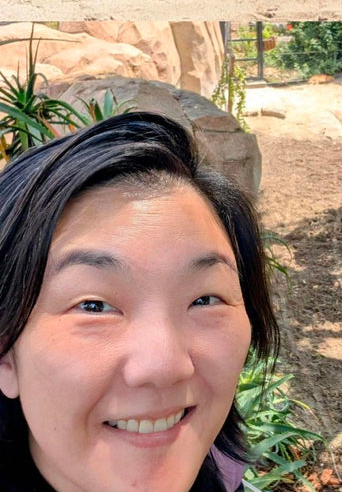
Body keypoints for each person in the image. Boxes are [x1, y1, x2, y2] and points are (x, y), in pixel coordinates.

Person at [0, 111, 279, 492]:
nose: (165, 366)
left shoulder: (222, 472)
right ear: (6, 353)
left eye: (205, 299)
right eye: (93, 305)